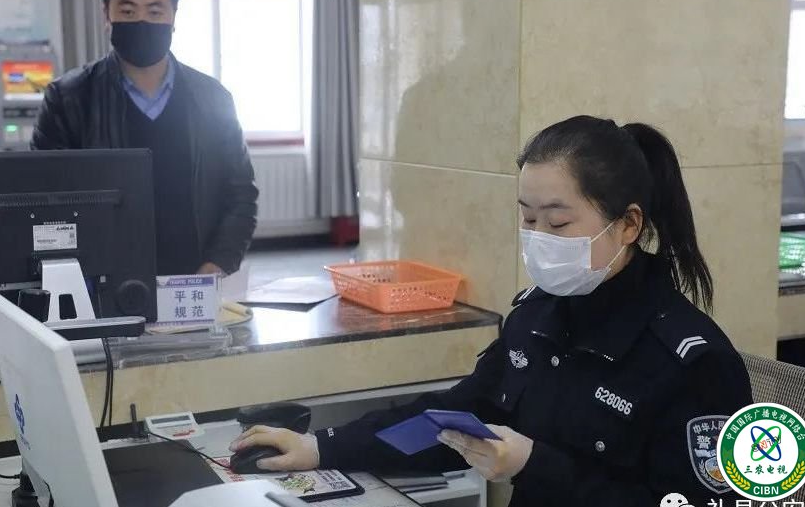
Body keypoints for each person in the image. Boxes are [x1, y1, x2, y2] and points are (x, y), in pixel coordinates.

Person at [229, 116, 753, 506]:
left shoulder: (693, 362)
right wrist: (321, 447)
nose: (538, 238)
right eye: (527, 219)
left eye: (558, 223)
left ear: (629, 225)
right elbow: (452, 418)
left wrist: (534, 465)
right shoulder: (537, 318)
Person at [31, 0, 257, 276]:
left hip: (194, 280)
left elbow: (240, 193)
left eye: (154, 12)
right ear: (106, 15)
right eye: (128, 11)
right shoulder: (68, 99)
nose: (142, 22)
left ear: (173, 17)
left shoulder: (213, 99)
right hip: (102, 281)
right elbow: (44, 199)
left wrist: (217, 264)